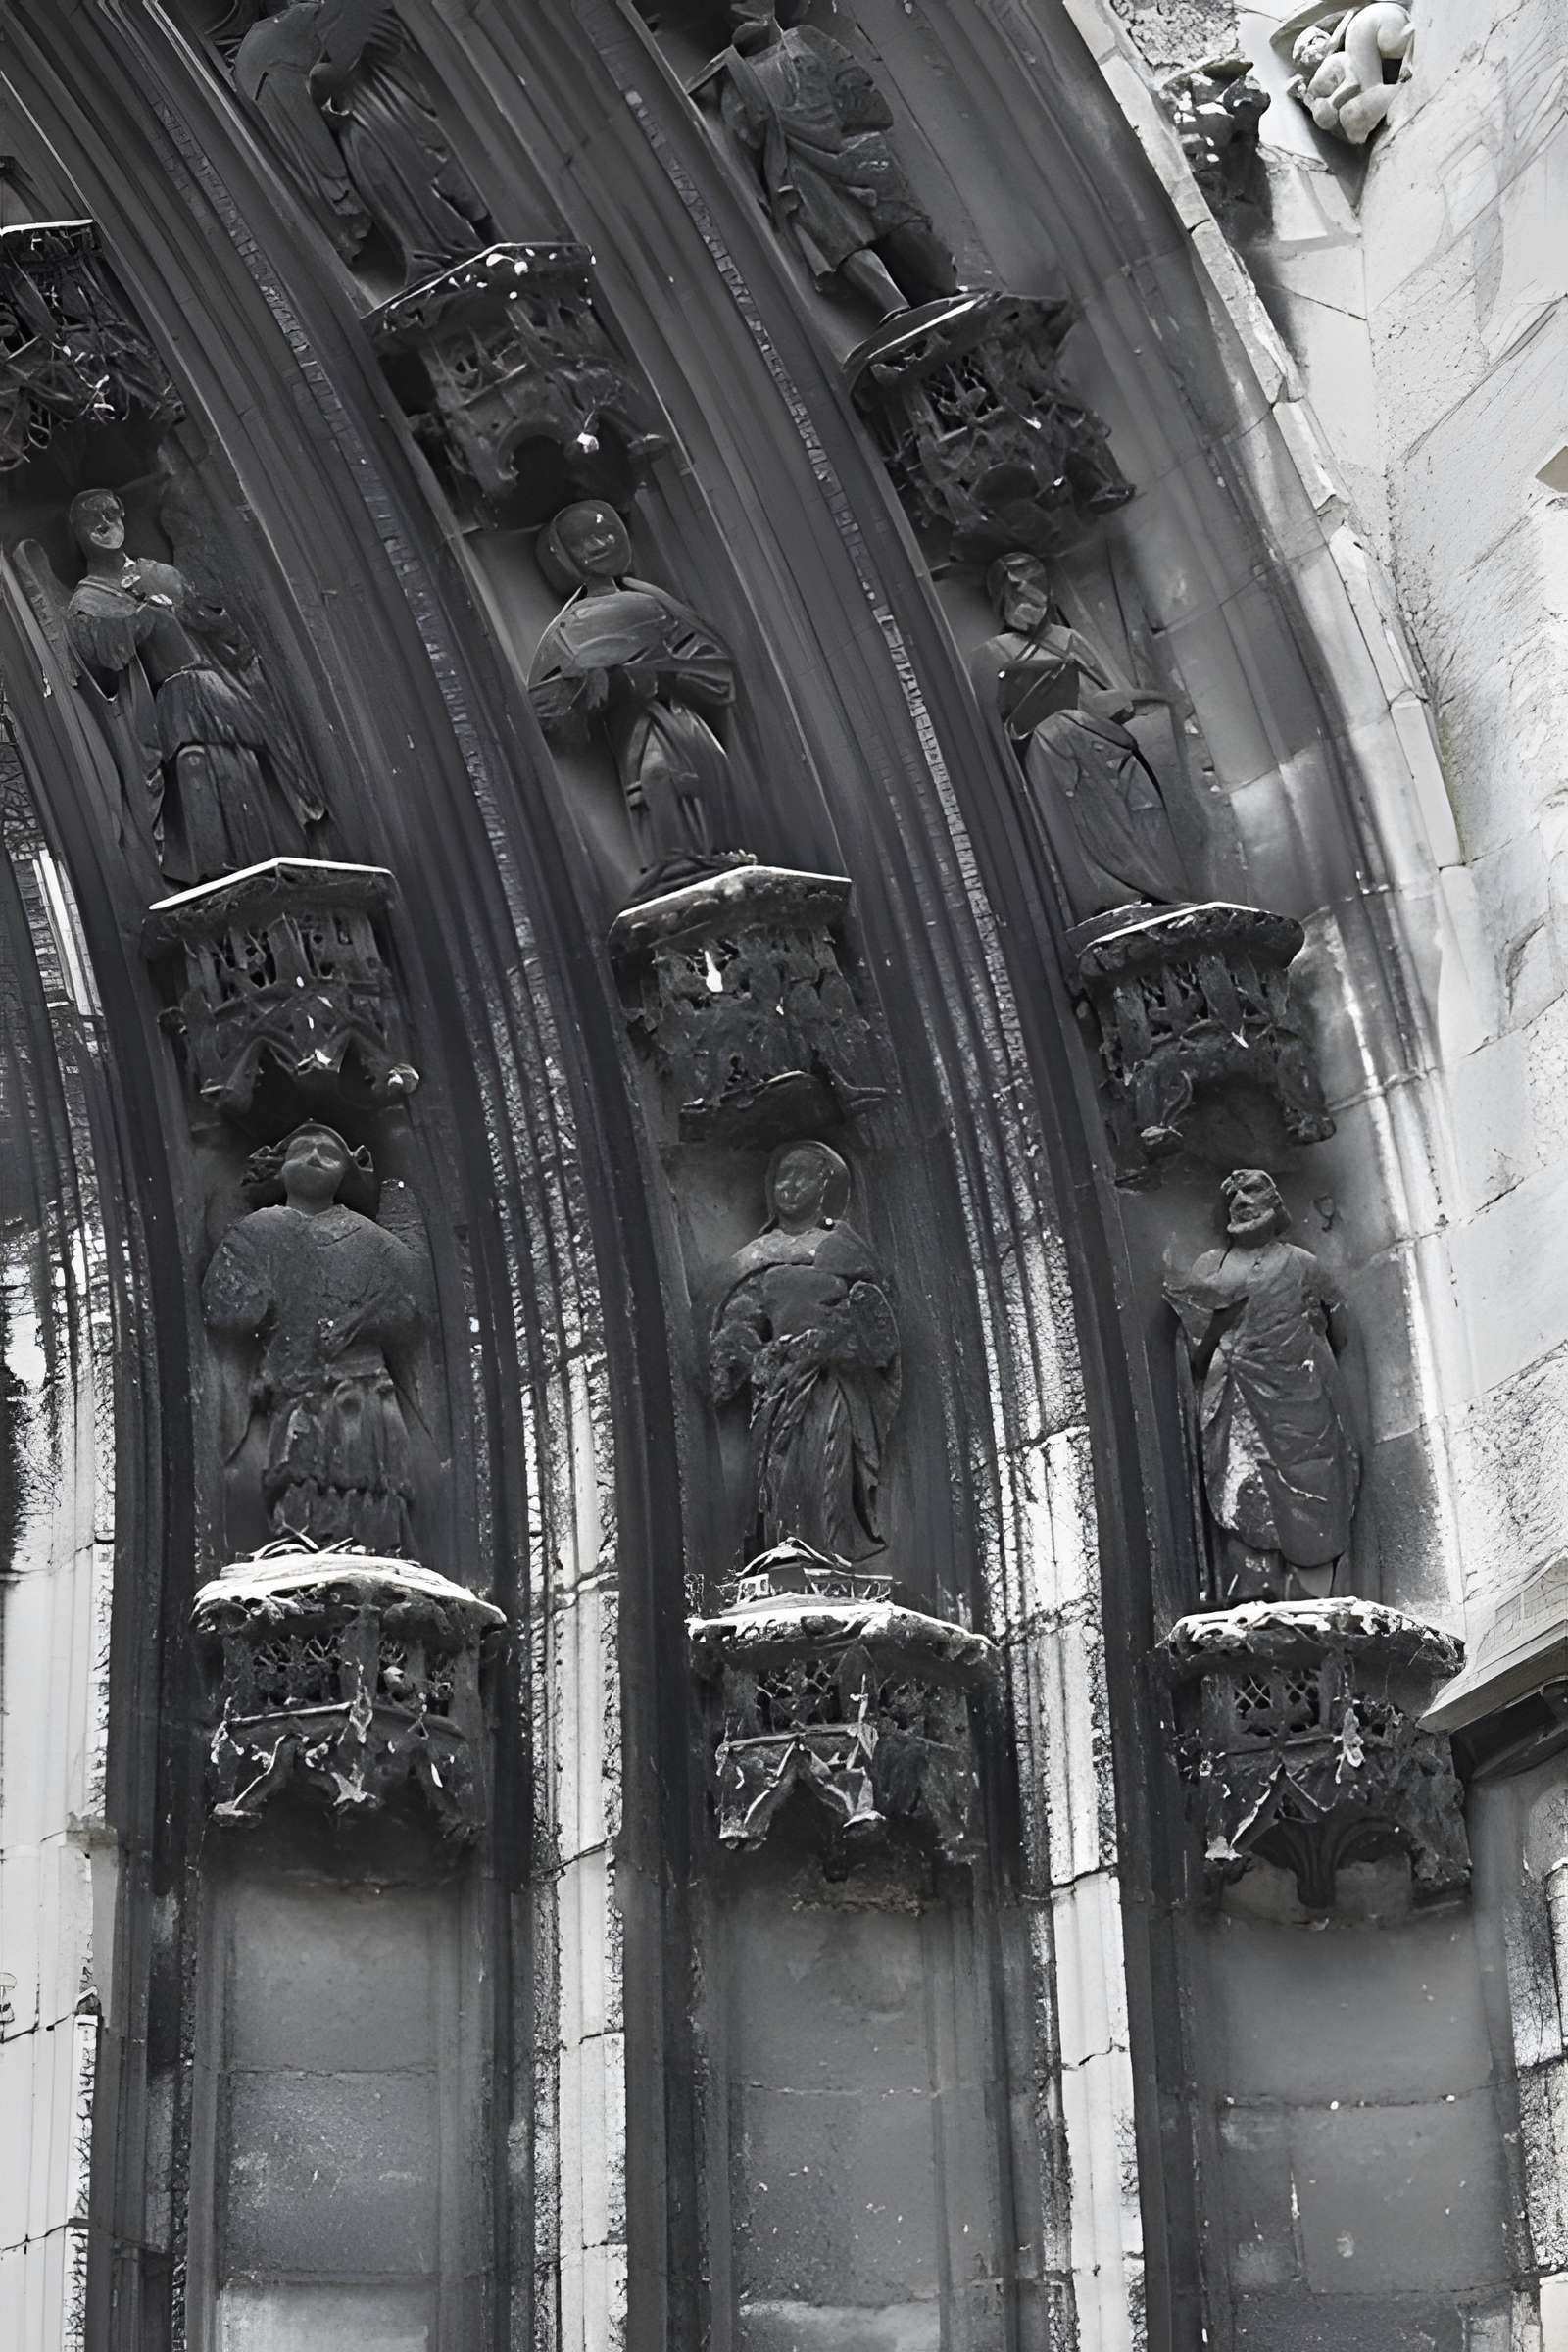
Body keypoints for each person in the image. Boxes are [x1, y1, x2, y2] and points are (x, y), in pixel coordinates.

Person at [66, 488, 324, 885]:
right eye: (92, 520)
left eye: (111, 514)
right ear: (79, 534)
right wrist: (142, 617)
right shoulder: (88, 598)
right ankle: (215, 870)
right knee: (194, 761)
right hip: (170, 695)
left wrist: (203, 615)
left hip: (212, 680)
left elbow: (222, 633)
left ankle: (267, 857)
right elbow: (102, 652)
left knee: (242, 756)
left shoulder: (161, 574)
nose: (105, 524)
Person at [203, 1123, 425, 1552]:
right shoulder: (260, 1228)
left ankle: (377, 1548)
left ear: (346, 1172)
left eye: (330, 1151)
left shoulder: (368, 1236)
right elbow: (227, 1311)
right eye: (303, 1148)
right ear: (279, 1169)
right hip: (296, 1387)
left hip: (363, 1384)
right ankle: (303, 1545)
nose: (316, 1155)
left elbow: (409, 1305)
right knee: (301, 1472)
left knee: (372, 1477)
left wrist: (359, 1321)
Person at [1167, 1168, 1360, 1604]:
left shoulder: (1303, 1264)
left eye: (1252, 1192)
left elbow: (1340, 1330)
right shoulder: (1210, 1268)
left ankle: (1315, 1598)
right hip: (1241, 1404)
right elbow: (1195, 1349)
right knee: (1246, 1495)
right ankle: (1254, 1592)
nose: (1241, 1200)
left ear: (1275, 1207)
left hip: (1305, 1406)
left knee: (1317, 1498)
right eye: (1233, 1195)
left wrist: (1312, 1334)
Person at [710, 1140, 900, 1563]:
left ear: (825, 1184)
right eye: (782, 1175)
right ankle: (781, 1557)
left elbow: (875, 1323)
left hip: (830, 1384)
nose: (788, 1184)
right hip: (776, 1387)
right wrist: (753, 1356)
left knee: (822, 1462)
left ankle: (822, 1557)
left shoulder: (845, 1249)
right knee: (776, 1476)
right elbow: (737, 1322)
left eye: (801, 1174)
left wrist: (829, 1342)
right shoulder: (756, 1258)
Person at [976, 553, 1192, 920]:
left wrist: (1128, 700)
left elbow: (1111, 702)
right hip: (1047, 754)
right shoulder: (991, 653)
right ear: (1001, 597)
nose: (1028, 596)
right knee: (1057, 735)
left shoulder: (1069, 639)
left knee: (1139, 800)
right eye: (1015, 588)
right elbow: (987, 734)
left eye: (1036, 583)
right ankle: (1112, 893)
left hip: (1101, 742)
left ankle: (1160, 887)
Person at [529, 501, 737, 882]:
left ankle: (706, 854)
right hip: (636, 727)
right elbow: (548, 708)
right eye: (585, 541)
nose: (600, 544)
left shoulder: (654, 605)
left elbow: (715, 667)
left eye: (606, 532)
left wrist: (664, 669)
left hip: (677, 718)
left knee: (694, 771)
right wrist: (595, 687)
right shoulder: (569, 627)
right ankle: (675, 861)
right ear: (564, 557)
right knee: (657, 774)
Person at [716, 0, 958, 318]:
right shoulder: (738, 81)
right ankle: (895, 307)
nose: (739, 8)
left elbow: (861, 95)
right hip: (804, 167)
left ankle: (943, 290)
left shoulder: (803, 41)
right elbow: (747, 143)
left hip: (850, 151)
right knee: (836, 235)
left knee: (899, 220)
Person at [236, 0, 491, 285]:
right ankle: (443, 253)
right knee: (400, 184)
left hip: (368, 117)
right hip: (364, 119)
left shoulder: (286, 36)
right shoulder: (290, 35)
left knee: (409, 184)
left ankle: (442, 252)